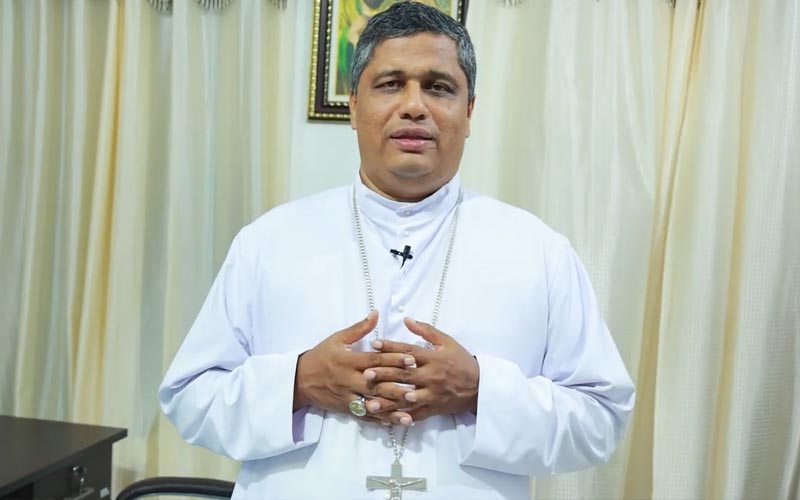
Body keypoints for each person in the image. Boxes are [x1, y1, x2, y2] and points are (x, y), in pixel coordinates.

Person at [158, 2, 635, 499]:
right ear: (353, 106)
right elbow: (189, 398)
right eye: (390, 84)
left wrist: (480, 390)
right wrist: (299, 382)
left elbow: (602, 419)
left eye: (439, 87)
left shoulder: (539, 252)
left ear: (469, 112)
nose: (414, 106)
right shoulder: (268, 242)